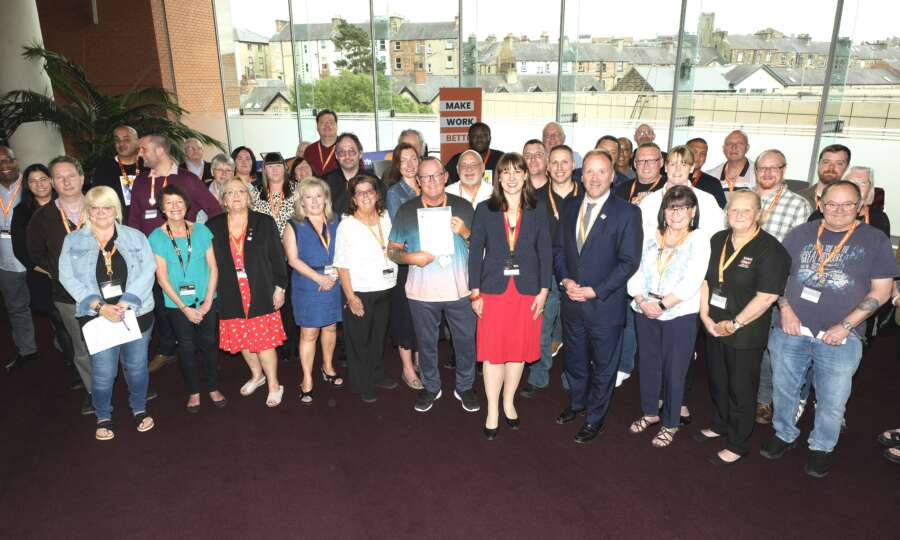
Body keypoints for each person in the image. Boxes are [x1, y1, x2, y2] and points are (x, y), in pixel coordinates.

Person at [762, 180, 895, 477]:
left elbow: (882, 291)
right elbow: (777, 278)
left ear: (859, 208)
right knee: (784, 389)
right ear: (820, 204)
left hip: (842, 335)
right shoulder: (800, 234)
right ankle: (783, 433)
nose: (838, 210)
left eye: (847, 205)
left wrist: (846, 325)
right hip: (792, 328)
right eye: (832, 204)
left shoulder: (874, 240)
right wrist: (785, 310)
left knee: (832, 398)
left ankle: (821, 446)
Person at [553, 149, 643, 444]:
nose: (594, 177)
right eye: (589, 171)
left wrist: (596, 290)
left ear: (612, 176)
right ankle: (577, 403)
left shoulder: (628, 212)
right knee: (575, 360)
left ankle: (595, 418)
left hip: (604, 305)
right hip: (571, 301)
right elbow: (559, 250)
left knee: (604, 365)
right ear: (581, 174)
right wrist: (565, 280)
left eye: (601, 171)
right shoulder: (569, 205)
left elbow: (629, 262)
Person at [696, 191, 790, 465]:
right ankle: (720, 424)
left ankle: (738, 443)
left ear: (759, 214)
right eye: (734, 209)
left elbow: (768, 296)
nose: (738, 214)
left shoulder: (771, 249)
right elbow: (705, 281)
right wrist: (705, 317)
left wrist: (735, 323)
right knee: (718, 380)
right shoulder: (717, 240)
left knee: (741, 388)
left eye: (746, 210)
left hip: (745, 331)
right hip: (714, 325)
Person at [58, 186, 157, 441]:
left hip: (135, 313)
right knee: (103, 372)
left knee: (136, 368)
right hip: (96, 317)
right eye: (94, 207)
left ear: (116, 209)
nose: (101, 212)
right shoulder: (73, 240)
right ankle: (103, 415)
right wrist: (99, 307)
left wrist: (125, 303)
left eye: (107, 207)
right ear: (87, 211)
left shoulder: (135, 237)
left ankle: (139, 409)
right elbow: (66, 276)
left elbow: (149, 270)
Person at [468, 153, 551, 439]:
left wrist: (544, 291)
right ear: (498, 177)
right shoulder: (484, 209)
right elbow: (475, 254)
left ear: (526, 175)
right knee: (493, 352)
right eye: (506, 172)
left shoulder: (538, 209)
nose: (512, 177)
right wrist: (474, 292)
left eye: (518, 172)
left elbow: (546, 253)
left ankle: (509, 402)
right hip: (493, 292)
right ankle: (492, 409)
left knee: (517, 351)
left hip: (527, 292)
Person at [387, 157, 479, 413]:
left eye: (436, 175)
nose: (432, 181)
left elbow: (481, 249)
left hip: (460, 290)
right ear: (418, 181)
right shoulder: (407, 210)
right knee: (426, 343)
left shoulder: (464, 207)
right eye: (425, 177)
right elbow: (392, 252)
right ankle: (431, 386)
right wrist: (410, 258)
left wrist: (466, 233)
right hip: (422, 293)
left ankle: (465, 387)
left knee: (465, 342)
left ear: (446, 177)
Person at [128, 135, 223, 373]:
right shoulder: (140, 182)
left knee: (193, 301)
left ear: (160, 151)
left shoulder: (187, 180)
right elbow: (134, 221)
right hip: (153, 259)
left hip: (187, 260)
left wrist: (203, 241)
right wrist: (135, 256)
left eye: (144, 149)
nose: (140, 154)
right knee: (162, 306)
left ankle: (201, 349)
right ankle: (167, 348)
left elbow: (214, 210)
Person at [627, 186, 709, 447]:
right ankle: (651, 413)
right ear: (664, 211)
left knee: (675, 371)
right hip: (644, 307)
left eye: (683, 207)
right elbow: (635, 269)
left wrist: (662, 306)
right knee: (649, 364)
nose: (677, 213)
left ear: (693, 211)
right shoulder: (652, 235)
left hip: (679, 313)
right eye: (672, 207)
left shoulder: (699, 239)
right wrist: (640, 299)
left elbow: (693, 279)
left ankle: (671, 423)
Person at [207, 178, 288, 407]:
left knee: (263, 342)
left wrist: (280, 287)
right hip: (231, 292)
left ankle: (274, 384)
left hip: (260, 289)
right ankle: (257, 376)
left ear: (249, 196)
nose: (235, 196)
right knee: (242, 339)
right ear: (223, 199)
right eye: (230, 193)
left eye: (240, 191)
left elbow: (277, 258)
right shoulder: (213, 227)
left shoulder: (264, 222)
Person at [27, 156, 94, 414]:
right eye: (59, 177)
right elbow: (35, 253)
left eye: (71, 175)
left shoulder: (100, 205)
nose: (66, 181)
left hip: (107, 289)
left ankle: (135, 385)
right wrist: (60, 273)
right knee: (81, 345)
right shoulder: (42, 217)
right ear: (53, 182)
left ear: (81, 178)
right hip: (67, 295)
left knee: (118, 339)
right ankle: (93, 391)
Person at [149, 185, 223, 413]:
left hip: (206, 299)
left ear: (186, 205)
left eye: (179, 202)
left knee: (209, 344)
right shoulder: (157, 237)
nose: (175, 207)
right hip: (177, 304)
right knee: (187, 347)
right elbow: (161, 278)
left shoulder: (202, 231)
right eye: (169, 203)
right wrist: (184, 308)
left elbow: (213, 267)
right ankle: (193, 391)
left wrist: (209, 300)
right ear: (162, 208)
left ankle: (213, 387)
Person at [751, 149, 812, 425]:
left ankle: (763, 401)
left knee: (769, 348)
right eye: (762, 168)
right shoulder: (743, 200)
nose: (767, 173)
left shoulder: (798, 205)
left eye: (773, 168)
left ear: (784, 170)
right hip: (741, 285)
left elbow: (797, 255)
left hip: (775, 287)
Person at [519, 144, 581, 398]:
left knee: (575, 329)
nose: (559, 167)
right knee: (541, 326)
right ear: (547, 165)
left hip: (579, 272)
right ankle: (539, 374)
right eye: (554, 163)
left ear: (573, 165)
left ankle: (573, 374)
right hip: (545, 272)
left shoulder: (586, 194)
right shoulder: (535, 198)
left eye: (564, 162)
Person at [334, 175, 399, 402]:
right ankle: (362, 384)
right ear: (353, 198)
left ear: (377, 194)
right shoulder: (347, 225)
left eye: (369, 191)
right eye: (359, 193)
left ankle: (377, 374)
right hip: (360, 291)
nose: (365, 196)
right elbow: (341, 265)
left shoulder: (385, 217)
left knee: (378, 338)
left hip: (386, 288)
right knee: (359, 341)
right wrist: (351, 297)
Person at [283, 177, 344, 403]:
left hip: (335, 280)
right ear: (301, 201)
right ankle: (307, 377)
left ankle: (327, 366)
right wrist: (319, 277)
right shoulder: (293, 225)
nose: (315, 201)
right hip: (308, 284)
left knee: (330, 328)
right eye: (308, 197)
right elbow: (293, 260)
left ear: (326, 198)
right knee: (309, 333)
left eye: (319, 195)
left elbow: (346, 250)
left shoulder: (336, 221)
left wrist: (337, 272)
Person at [9, 164, 69, 373]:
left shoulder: (67, 203)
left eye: (43, 179)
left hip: (76, 274)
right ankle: (75, 367)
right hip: (43, 277)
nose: (39, 184)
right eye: (33, 181)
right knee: (60, 322)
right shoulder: (22, 212)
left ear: (52, 180)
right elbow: (20, 249)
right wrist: (49, 271)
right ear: (27, 185)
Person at [384, 143, 424, 390]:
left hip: (430, 260)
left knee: (424, 313)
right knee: (405, 315)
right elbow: (401, 229)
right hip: (407, 261)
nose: (409, 164)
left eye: (413, 159)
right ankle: (407, 369)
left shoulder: (429, 185)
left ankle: (422, 361)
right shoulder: (394, 192)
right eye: (404, 160)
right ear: (397, 166)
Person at [0, 146, 38, 372]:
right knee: (16, 308)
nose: (5, 166)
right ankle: (27, 350)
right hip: (5, 260)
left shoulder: (31, 184)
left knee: (52, 305)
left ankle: (66, 347)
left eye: (8, 160)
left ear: (16, 160)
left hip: (34, 258)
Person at [806, 166, 890, 238]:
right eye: (852, 182)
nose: (857, 187)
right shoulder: (820, 215)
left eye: (863, 183)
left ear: (870, 189)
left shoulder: (879, 219)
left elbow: (882, 253)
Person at [91, 125, 143, 218]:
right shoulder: (104, 168)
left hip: (147, 220)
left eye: (126, 140)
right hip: (119, 223)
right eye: (117, 140)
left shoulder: (147, 164)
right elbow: (98, 198)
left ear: (137, 142)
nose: (121, 144)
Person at [323, 133, 374, 217]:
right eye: (342, 152)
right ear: (336, 156)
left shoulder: (373, 182)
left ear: (360, 154)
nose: (347, 156)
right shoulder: (324, 183)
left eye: (351, 151)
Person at [797, 144, 851, 210]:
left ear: (846, 167)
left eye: (839, 163)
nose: (831, 168)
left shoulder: (851, 202)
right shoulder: (798, 198)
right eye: (826, 162)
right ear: (819, 164)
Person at [706, 130, 756, 195]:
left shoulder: (759, 173)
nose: (734, 147)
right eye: (729, 144)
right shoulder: (710, 176)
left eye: (740, 143)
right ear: (723, 149)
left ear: (747, 148)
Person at [685, 138, 727, 208]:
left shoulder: (713, 183)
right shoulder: (673, 178)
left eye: (703, 154)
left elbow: (722, 212)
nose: (698, 157)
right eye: (694, 152)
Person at [303, 109, 340, 176]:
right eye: (322, 123)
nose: (327, 125)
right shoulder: (309, 150)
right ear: (317, 127)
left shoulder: (347, 148)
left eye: (331, 122)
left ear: (337, 126)